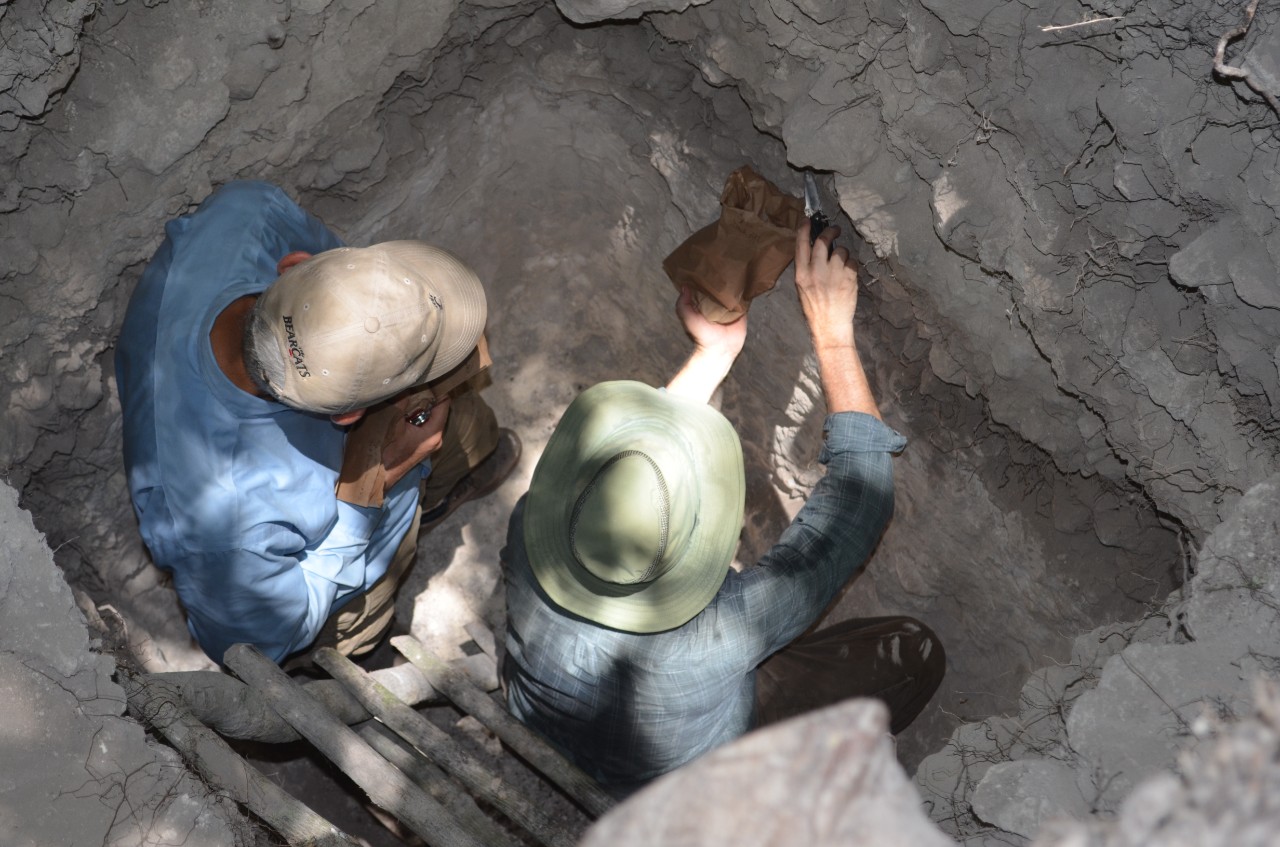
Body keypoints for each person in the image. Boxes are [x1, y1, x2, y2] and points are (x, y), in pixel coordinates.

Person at [501, 222, 944, 795]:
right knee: (913, 650)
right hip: (682, 772)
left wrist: (713, 355)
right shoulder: (716, 632)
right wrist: (832, 335)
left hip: (546, 722)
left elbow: (636, 470)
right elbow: (858, 505)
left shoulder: (533, 533)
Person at [116, 180, 520, 666]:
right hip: (314, 568)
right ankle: (360, 644)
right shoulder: (228, 529)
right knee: (354, 619)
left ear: (295, 266)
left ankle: (431, 493)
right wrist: (372, 486)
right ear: (351, 416)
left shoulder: (245, 219)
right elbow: (258, 643)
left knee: (463, 416)